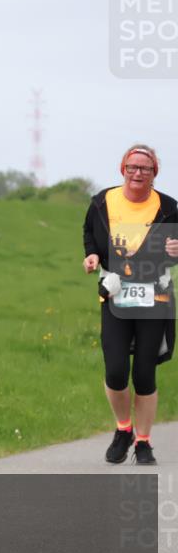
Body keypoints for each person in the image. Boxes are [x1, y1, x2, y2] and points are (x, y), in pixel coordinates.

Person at [83, 144, 178, 465]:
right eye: (133, 167)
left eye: (146, 169)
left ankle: (144, 442)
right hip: (116, 293)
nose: (138, 173)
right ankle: (123, 428)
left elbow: (173, 250)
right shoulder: (102, 202)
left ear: (154, 174)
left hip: (155, 295)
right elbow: (89, 234)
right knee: (116, 370)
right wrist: (92, 254)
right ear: (123, 169)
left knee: (145, 373)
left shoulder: (169, 207)